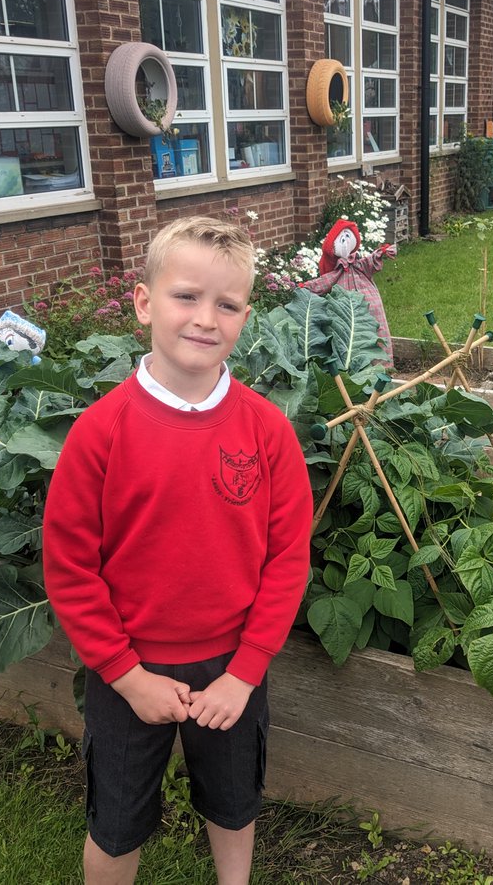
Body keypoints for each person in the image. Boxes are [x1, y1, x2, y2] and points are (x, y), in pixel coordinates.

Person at [43, 216, 313, 885]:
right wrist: (127, 676)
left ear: (245, 317)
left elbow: (287, 558)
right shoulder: (100, 433)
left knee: (233, 805)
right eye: (186, 296)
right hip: (126, 672)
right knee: (116, 820)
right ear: (143, 303)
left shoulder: (267, 430)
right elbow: (71, 568)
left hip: (231, 671)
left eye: (227, 304)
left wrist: (245, 672)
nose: (205, 318)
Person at [301, 218, 397, 364]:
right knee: (350, 337)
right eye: (342, 238)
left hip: (370, 306)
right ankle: (355, 369)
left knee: (378, 331)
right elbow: (323, 282)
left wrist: (382, 252)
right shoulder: (336, 272)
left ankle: (384, 367)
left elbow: (371, 262)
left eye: (348, 237)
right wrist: (304, 287)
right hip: (347, 310)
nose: (345, 242)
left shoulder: (359, 265)